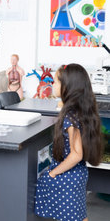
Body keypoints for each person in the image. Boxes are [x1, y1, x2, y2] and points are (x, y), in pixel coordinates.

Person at [35, 64, 103, 221]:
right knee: (79, 216)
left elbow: (76, 154)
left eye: (56, 82)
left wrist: (53, 173)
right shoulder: (79, 111)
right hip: (78, 174)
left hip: (68, 179)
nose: (52, 84)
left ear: (67, 87)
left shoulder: (69, 117)